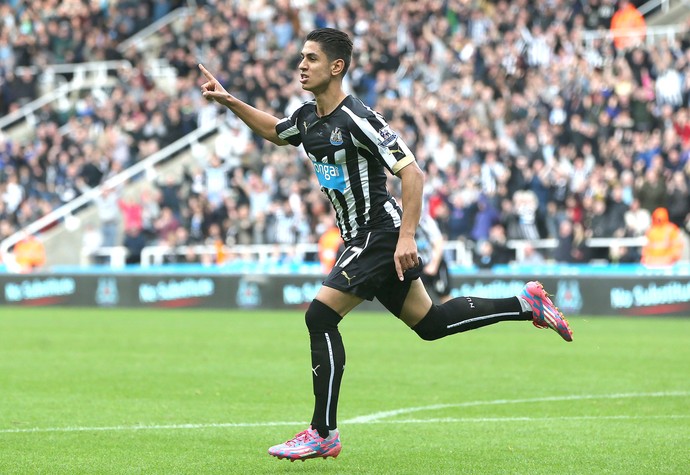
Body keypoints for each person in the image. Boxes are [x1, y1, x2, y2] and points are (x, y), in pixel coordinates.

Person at [199, 28, 573, 462]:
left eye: (312, 58)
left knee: (320, 316)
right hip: (362, 237)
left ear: (336, 67)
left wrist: (407, 237)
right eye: (301, 57)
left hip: (379, 233)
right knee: (431, 324)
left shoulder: (358, 118)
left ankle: (323, 432)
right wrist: (229, 101)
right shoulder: (307, 119)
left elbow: (411, 173)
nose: (302, 65)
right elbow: (275, 131)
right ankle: (525, 303)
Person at [416, 211, 451, 303]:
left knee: (444, 295)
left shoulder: (426, 221)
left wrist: (434, 265)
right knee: (417, 298)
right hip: (418, 265)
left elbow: (438, 242)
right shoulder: (401, 220)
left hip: (435, 262)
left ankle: (455, 316)